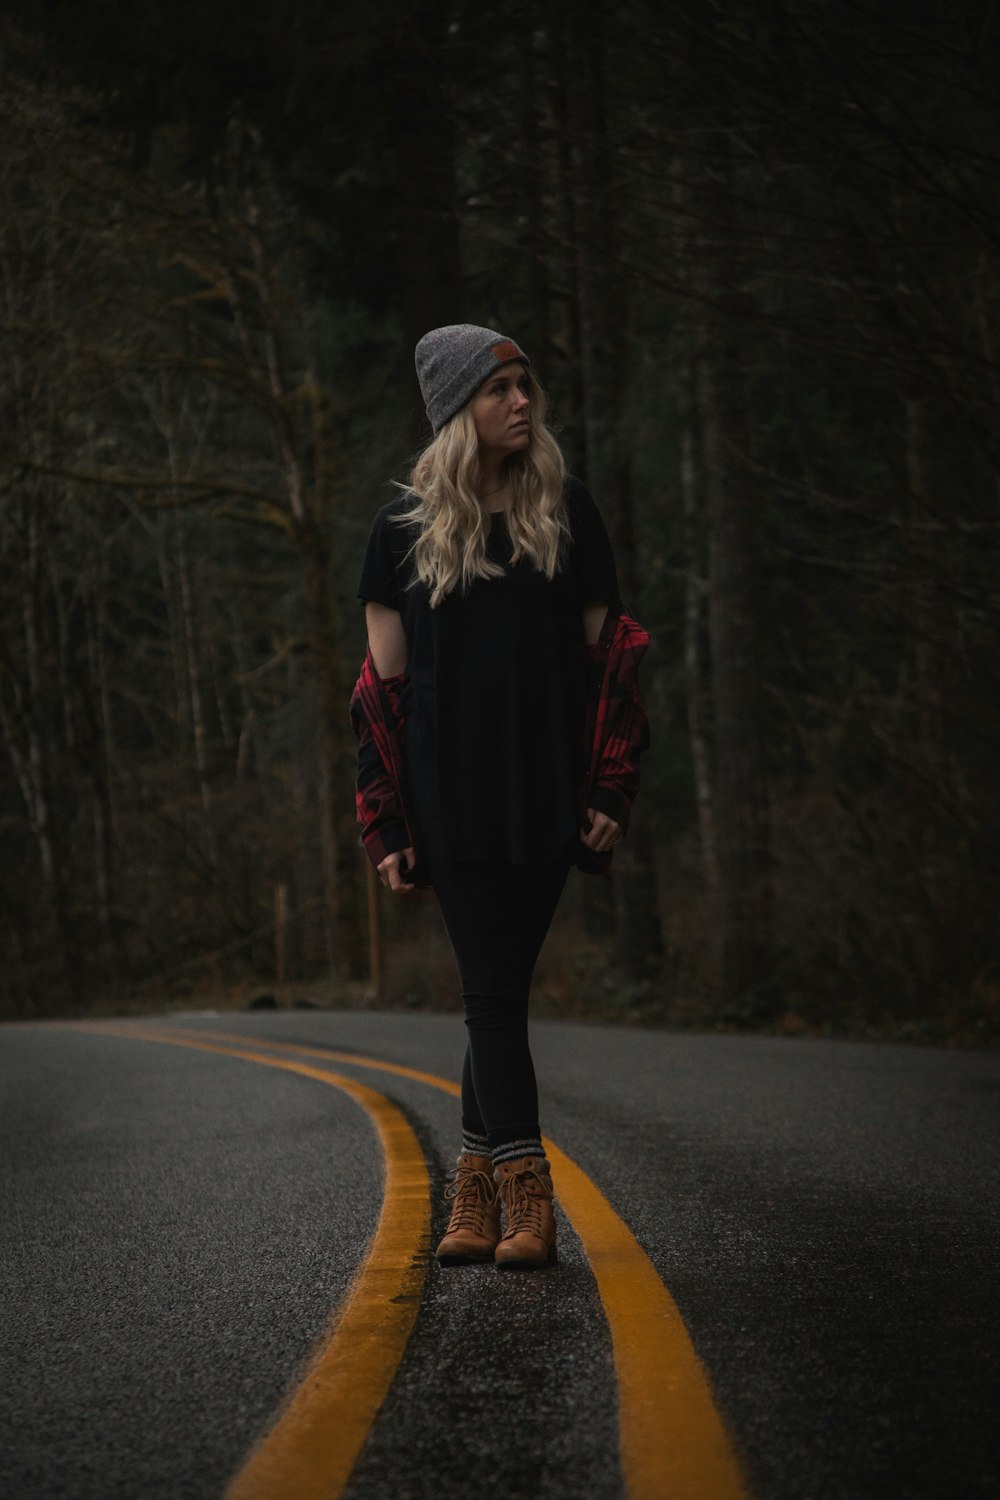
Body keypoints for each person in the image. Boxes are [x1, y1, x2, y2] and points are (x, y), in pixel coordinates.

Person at [351, 324, 649, 1270]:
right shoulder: (399, 535)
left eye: (526, 384)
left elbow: (617, 670)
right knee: (491, 997)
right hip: (451, 799)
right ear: (455, 411)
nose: (523, 402)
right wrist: (387, 822)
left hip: (546, 793)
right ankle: (528, 1193)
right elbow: (378, 698)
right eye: (499, 389)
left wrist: (609, 782)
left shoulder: (569, 516)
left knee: (500, 997)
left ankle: (472, 1192)